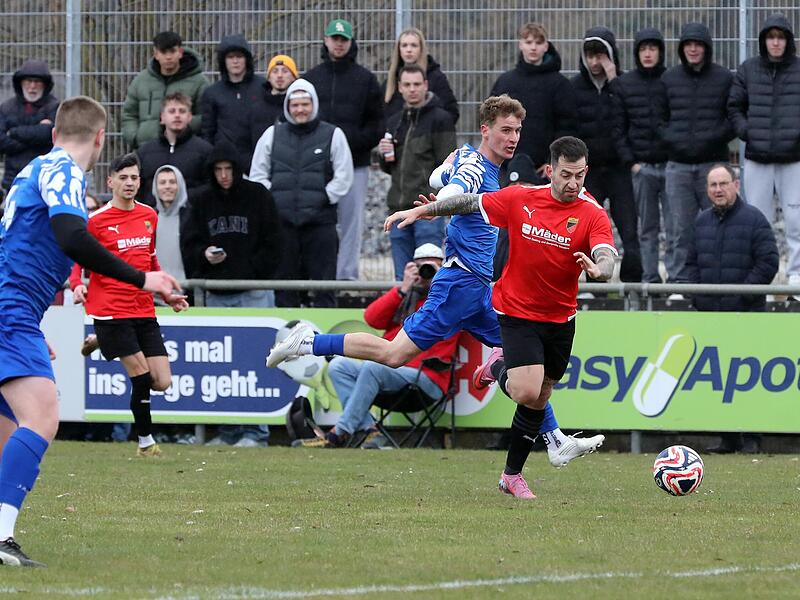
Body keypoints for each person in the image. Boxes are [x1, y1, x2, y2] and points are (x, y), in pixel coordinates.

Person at [268, 97, 604, 471]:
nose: (513, 138)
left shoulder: (473, 159)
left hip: (480, 290)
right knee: (393, 355)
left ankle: (554, 438)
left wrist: (441, 179)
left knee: (528, 359)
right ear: (486, 130)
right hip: (459, 285)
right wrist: (441, 200)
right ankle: (308, 342)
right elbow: (452, 189)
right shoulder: (477, 165)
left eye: (518, 131)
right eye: (506, 130)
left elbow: (437, 179)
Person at [0, 96, 181, 566]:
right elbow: (71, 236)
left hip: (13, 311)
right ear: (101, 139)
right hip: (10, 311)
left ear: (55, 130)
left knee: (7, 433)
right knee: (41, 418)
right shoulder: (61, 171)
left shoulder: (34, 169)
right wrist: (145, 278)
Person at [388, 136, 616, 499]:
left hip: (560, 318)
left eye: (580, 175)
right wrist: (421, 212)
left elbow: (606, 254)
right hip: (516, 311)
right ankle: (496, 369)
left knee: (539, 395)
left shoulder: (591, 213)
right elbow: (470, 202)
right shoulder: (522, 197)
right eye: (566, 175)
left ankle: (512, 475)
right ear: (551, 170)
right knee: (526, 389)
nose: (573, 183)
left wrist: (601, 270)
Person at [69, 153, 189, 458]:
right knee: (141, 375)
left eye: (134, 177)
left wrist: (167, 294)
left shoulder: (149, 215)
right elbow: (76, 257)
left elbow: (149, 260)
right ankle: (146, 442)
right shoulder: (95, 221)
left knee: (162, 381)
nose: (129, 183)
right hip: (109, 309)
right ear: (110, 181)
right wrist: (77, 283)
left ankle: (100, 341)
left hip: (143, 307)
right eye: (123, 178)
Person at [297, 244, 458, 449]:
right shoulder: (405, 298)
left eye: (433, 267)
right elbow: (371, 318)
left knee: (373, 367)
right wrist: (402, 289)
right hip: (392, 373)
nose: (427, 273)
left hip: (426, 380)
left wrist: (440, 283)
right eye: (422, 267)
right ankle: (370, 430)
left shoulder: (450, 300)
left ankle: (340, 432)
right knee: (338, 366)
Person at [685, 164, 778, 454]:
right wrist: (701, 298)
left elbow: (768, 263)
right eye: (713, 185)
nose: (718, 190)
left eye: (723, 183)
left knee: (748, 379)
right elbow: (689, 265)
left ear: (736, 184)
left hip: (747, 317)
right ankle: (728, 438)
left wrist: (741, 297)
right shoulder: (701, 222)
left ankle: (752, 438)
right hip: (711, 318)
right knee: (718, 381)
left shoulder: (755, 219)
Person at [250, 79, 353, 308]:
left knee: (324, 287)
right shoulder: (271, 134)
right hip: (282, 225)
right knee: (284, 286)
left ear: (313, 105)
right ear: (288, 107)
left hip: (321, 224)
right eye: (295, 105)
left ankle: (327, 340)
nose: (300, 110)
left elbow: (344, 176)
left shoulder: (333, 134)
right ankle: (287, 339)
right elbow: (257, 174)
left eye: (305, 104)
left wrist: (324, 197)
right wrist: (274, 199)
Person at [304, 18, 384, 281]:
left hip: (355, 163)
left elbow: (376, 125)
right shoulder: (311, 79)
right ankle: (317, 277)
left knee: (351, 223)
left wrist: (349, 141)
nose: (338, 44)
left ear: (351, 43)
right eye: (334, 39)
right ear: (325, 41)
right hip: (316, 167)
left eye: (343, 40)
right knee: (316, 220)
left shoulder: (366, 80)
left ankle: (346, 277)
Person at [728, 14, 800, 294]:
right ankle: (760, 277)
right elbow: (734, 107)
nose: (776, 42)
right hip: (757, 157)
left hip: (794, 159)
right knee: (757, 220)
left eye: (781, 37)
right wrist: (748, 131)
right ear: (763, 41)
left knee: (796, 220)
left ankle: (795, 274)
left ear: (788, 41)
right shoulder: (748, 69)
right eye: (771, 37)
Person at [661, 22, 734, 285]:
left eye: (698, 44)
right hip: (677, 166)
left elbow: (733, 117)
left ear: (707, 47)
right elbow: (659, 120)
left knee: (719, 225)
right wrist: (676, 141)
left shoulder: (724, 78)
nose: (693, 49)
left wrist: (710, 139)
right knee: (679, 229)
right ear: (682, 48)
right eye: (688, 44)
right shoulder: (669, 79)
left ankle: (716, 282)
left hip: (713, 165)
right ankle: (679, 282)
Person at [571, 27, 642, 282]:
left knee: (629, 229)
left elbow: (633, 115)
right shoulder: (575, 87)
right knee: (588, 229)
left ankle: (633, 285)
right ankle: (595, 285)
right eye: (590, 56)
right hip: (589, 171)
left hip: (619, 168)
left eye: (600, 55)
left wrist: (615, 82)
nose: (594, 62)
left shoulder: (622, 84)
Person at [181, 140, 282, 309]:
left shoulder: (258, 195)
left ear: (236, 168)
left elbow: (274, 239)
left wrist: (254, 269)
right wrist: (204, 255)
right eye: (218, 169)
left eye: (228, 169)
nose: (223, 175)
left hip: (254, 291)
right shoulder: (201, 200)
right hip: (216, 291)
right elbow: (189, 243)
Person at [379, 64, 457, 280]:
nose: (412, 89)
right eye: (407, 84)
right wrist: (383, 155)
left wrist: (438, 205)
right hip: (398, 209)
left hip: (426, 211)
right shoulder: (395, 121)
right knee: (401, 281)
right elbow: (389, 167)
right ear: (400, 88)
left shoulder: (441, 119)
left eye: (416, 84)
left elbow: (448, 167)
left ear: (425, 86)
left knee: (428, 277)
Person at [611, 28, 670, 285]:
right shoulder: (625, 84)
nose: (648, 54)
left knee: (676, 228)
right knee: (646, 228)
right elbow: (618, 128)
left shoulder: (671, 81)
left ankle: (678, 281)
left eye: (652, 49)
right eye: (643, 49)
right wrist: (631, 163)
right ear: (637, 53)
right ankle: (651, 280)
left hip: (670, 166)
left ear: (661, 52)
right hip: (641, 169)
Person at [490, 22, 576, 182]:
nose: (533, 47)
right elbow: (491, 122)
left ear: (546, 46)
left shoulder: (560, 84)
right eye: (529, 42)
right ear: (520, 45)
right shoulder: (505, 82)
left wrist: (554, 161)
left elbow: (567, 127)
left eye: (538, 42)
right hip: (505, 168)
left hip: (545, 170)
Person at [122, 31, 209, 150]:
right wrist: (134, 137)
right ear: (156, 54)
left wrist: (181, 130)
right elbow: (129, 114)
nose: (168, 57)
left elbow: (205, 116)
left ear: (180, 52)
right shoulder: (140, 81)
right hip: (145, 149)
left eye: (172, 51)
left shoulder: (199, 82)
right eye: (163, 52)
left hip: (185, 149)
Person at [200, 35, 265, 174]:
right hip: (224, 163)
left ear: (246, 59)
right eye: (230, 57)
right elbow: (207, 131)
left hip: (258, 161)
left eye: (239, 56)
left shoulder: (262, 87)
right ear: (223, 61)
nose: (235, 61)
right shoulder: (212, 93)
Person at [137, 92, 213, 206]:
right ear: (162, 117)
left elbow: (210, 187)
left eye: (182, 111)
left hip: (192, 218)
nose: (177, 115)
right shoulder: (145, 152)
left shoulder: (205, 151)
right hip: (153, 218)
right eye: (172, 111)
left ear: (189, 117)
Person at [0, 60, 59, 192]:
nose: (32, 86)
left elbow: (52, 135)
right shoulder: (6, 107)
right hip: (13, 180)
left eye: (37, 82)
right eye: (28, 81)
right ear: (20, 83)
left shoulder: (54, 106)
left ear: (45, 85)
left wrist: (15, 132)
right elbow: (1, 142)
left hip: (45, 179)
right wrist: (37, 136)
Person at [382, 28, 459, 124]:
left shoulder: (436, 78)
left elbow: (451, 112)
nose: (408, 50)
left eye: (414, 45)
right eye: (404, 45)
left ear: (421, 49)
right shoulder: (391, 81)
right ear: (399, 49)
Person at [250, 54, 299, 162]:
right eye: (275, 71)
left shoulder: (300, 108)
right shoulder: (256, 108)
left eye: (285, 71)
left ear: (294, 77)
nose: (280, 75)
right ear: (268, 77)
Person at [152, 165, 188, 283]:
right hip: (154, 293)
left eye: (172, 182)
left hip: (186, 290)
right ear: (155, 187)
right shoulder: (149, 217)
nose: (167, 186)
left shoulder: (192, 217)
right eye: (162, 182)